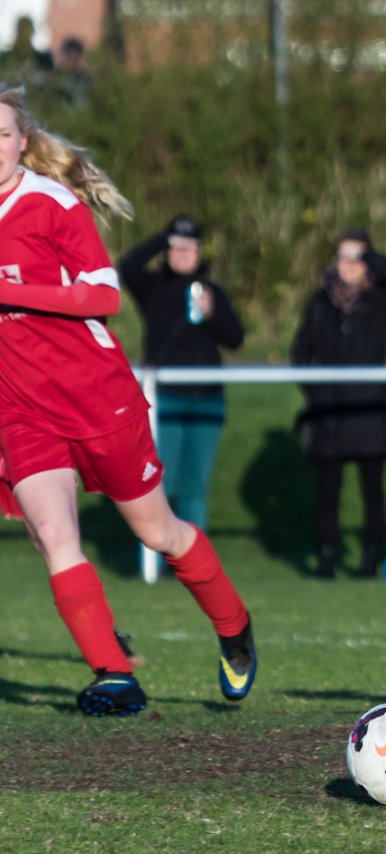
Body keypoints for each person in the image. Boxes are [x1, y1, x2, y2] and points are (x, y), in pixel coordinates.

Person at [0, 84, 256, 716]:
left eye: (1, 135)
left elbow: (104, 296)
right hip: (21, 409)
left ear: (23, 143)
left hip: (97, 398)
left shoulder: (53, 205)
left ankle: (234, 626)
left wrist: (18, 291)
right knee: (55, 535)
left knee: (159, 530)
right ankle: (115, 675)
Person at [291, 229, 386, 580]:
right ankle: (326, 559)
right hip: (328, 413)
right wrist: (316, 395)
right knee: (328, 492)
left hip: (369, 411)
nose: (348, 265)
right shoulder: (319, 303)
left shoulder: (379, 301)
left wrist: (369, 254)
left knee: (372, 491)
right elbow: (300, 354)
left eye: (356, 258)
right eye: (343, 257)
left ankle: (371, 559)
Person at [119, 214, 245, 531]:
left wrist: (212, 314)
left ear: (201, 251)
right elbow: (129, 266)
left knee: (194, 486)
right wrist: (163, 239)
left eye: (191, 247)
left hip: (207, 400)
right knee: (163, 481)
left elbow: (235, 338)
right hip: (165, 399)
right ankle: (159, 558)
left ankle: (194, 563)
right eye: (177, 246)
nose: (183, 253)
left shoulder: (211, 291)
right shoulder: (153, 287)